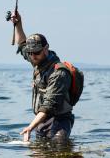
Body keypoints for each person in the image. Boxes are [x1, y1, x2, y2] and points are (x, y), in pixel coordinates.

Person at [10, 11, 74, 142]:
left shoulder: (59, 73)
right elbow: (22, 44)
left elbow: (49, 105)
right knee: (39, 157)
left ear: (46, 48)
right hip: (42, 121)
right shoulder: (37, 60)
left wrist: (30, 127)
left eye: (37, 52)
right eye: (30, 53)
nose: (33, 56)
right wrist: (18, 23)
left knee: (58, 151)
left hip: (60, 121)